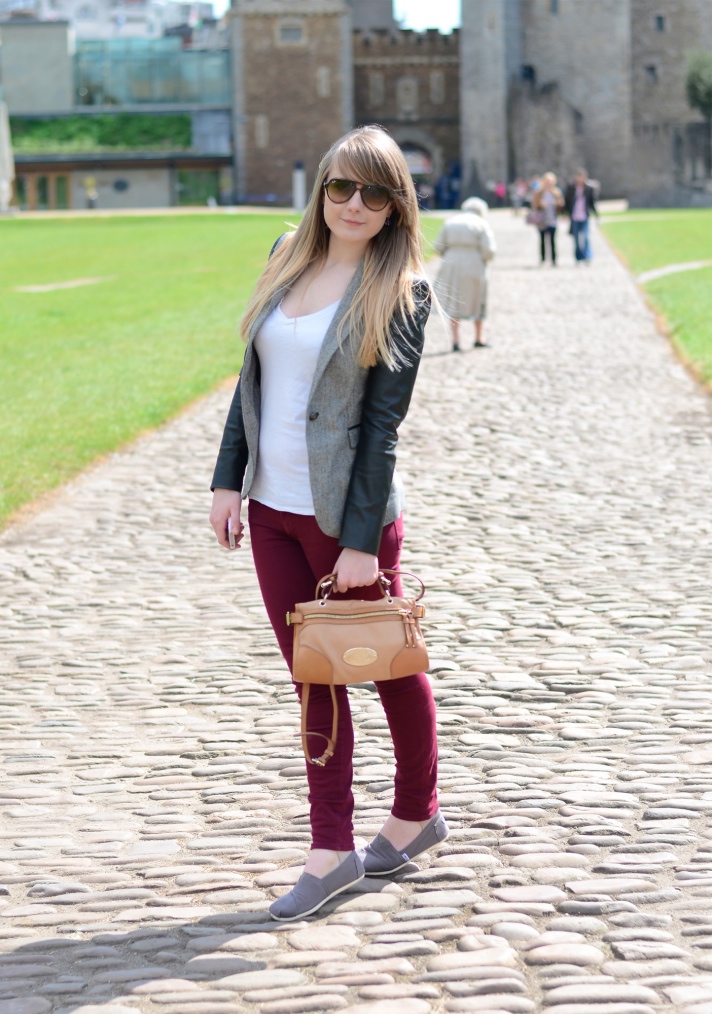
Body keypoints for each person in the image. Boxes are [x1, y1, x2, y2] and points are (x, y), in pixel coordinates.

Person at [209, 125, 448, 923]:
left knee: (382, 665)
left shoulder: (402, 290)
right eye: (341, 187)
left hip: (349, 519)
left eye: (374, 193)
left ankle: (415, 813)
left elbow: (381, 428)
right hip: (272, 510)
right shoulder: (286, 253)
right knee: (315, 675)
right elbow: (251, 377)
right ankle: (334, 848)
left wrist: (356, 543)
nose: (354, 204)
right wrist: (226, 482)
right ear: (321, 189)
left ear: (395, 206)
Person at [433, 196, 496, 351]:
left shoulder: (451, 221)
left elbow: (438, 245)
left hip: (452, 261)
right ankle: (478, 337)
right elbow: (489, 250)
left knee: (455, 300)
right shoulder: (482, 224)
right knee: (478, 298)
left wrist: (450, 253)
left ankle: (455, 340)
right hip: (473, 261)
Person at [564, 167, 597, 264]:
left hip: (584, 216)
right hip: (574, 216)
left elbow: (592, 202)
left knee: (586, 237)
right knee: (576, 238)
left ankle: (588, 256)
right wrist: (565, 213)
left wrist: (596, 215)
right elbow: (567, 202)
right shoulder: (571, 188)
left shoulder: (588, 188)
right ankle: (578, 258)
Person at [531, 171, 564, 266]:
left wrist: (557, 204)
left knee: (552, 240)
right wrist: (540, 204)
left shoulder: (556, 192)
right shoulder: (539, 192)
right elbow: (534, 205)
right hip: (542, 219)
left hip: (552, 218)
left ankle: (553, 259)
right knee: (542, 240)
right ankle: (543, 258)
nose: (548, 184)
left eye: (550, 182)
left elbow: (561, 204)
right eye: (547, 181)